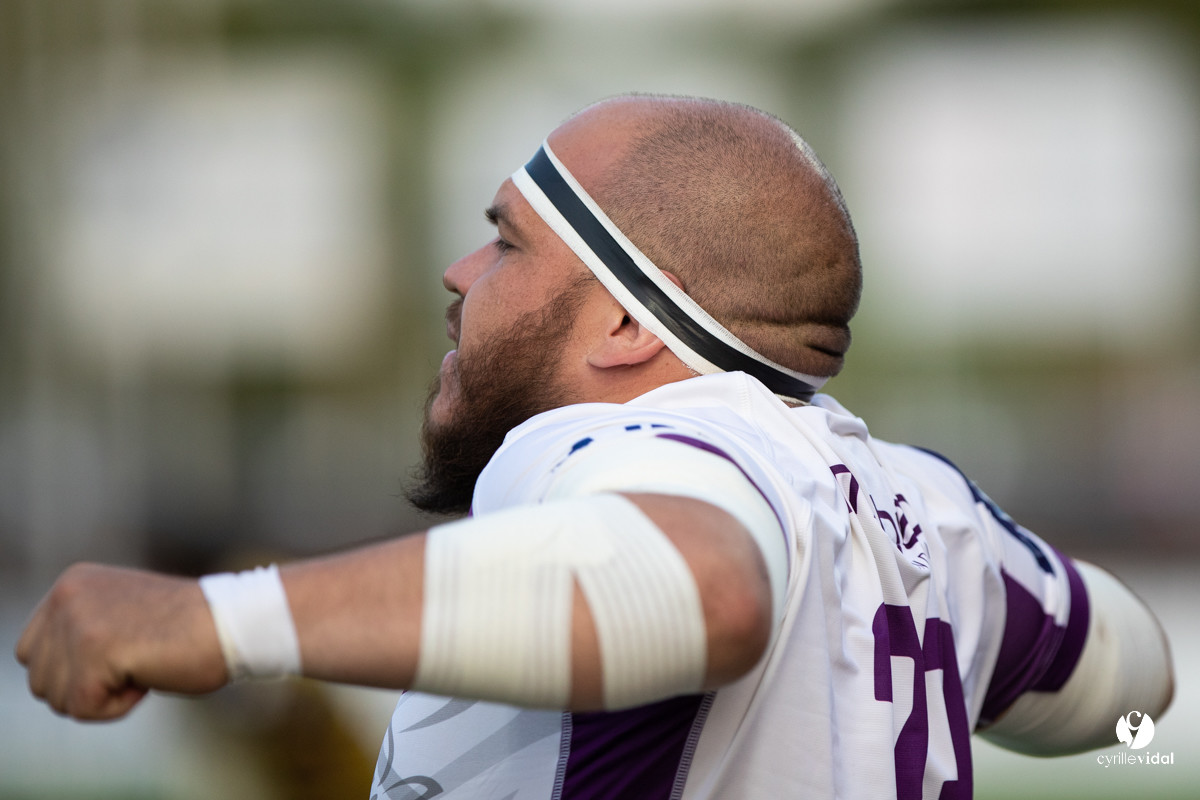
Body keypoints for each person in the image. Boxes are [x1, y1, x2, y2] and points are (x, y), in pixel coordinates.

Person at [16, 95, 1174, 799]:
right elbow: (1135, 677)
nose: (460, 276)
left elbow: (703, 589)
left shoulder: (612, 440)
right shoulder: (927, 509)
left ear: (625, 322)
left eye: (506, 243)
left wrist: (218, 622)